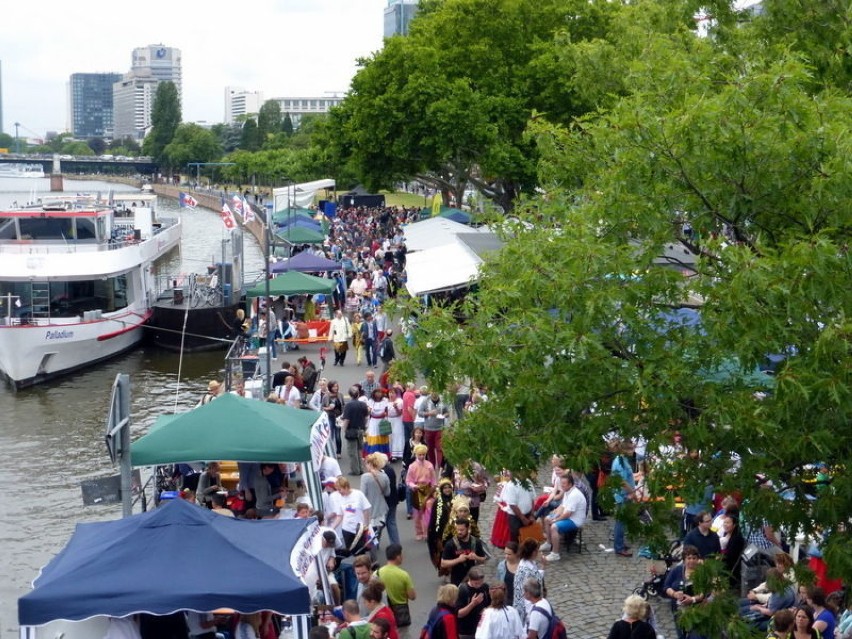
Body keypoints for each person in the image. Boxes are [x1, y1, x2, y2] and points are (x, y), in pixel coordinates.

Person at [540, 473, 587, 562]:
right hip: (569, 516)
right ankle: (549, 543)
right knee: (547, 519)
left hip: (575, 520)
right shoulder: (567, 491)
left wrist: (555, 520)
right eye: (561, 484)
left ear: (570, 484)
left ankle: (555, 553)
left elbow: (568, 514)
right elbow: (563, 506)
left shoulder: (574, 495)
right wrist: (555, 514)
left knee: (554, 526)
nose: (561, 486)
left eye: (563, 484)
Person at [664, 545, 706, 639]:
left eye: (694, 558)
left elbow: (704, 592)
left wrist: (692, 599)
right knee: (681, 633)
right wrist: (674, 594)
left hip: (696, 611)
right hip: (678, 610)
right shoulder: (677, 570)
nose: (691, 560)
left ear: (698, 559)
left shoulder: (702, 573)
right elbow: (666, 586)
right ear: (684, 559)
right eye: (689, 558)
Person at [376, 544, 416, 628]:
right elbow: (412, 596)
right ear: (398, 557)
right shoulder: (403, 575)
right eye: (401, 554)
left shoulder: (377, 573)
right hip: (401, 612)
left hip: (383, 612)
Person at [611, 439, 639, 557]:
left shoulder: (623, 460)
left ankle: (620, 543)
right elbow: (622, 481)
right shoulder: (620, 462)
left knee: (623, 521)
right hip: (622, 496)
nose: (633, 451)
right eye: (631, 448)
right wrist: (633, 492)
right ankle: (619, 547)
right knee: (620, 522)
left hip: (625, 495)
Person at [440, 518, 487, 586]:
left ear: (468, 528)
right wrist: (458, 560)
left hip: (473, 580)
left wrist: (476, 557)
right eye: (457, 529)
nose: (459, 532)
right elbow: (443, 564)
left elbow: (483, 560)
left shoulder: (476, 542)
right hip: (457, 580)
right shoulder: (450, 544)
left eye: (462, 530)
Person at [335, 476, 372, 551]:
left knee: (361, 550)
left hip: (360, 529)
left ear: (346, 487)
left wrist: (366, 525)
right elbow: (340, 516)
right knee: (351, 551)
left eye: (340, 489)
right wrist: (332, 527)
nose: (339, 492)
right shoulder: (339, 498)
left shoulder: (358, 494)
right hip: (347, 529)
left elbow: (366, 510)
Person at [513, 539, 544, 626]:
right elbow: (537, 581)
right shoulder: (527, 569)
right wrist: (544, 565)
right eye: (537, 550)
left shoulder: (525, 562)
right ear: (533, 552)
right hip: (526, 606)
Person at [341, 385, 370, 475]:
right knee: (359, 450)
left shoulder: (348, 405)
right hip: (361, 429)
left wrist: (344, 429)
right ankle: (361, 468)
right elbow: (366, 416)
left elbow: (346, 419)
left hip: (352, 430)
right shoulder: (363, 404)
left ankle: (355, 470)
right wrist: (364, 427)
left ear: (350, 395)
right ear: (358, 395)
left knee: (352, 451)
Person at [429, 479, 457, 570]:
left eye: (449, 487)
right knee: (444, 552)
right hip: (441, 533)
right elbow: (434, 520)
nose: (447, 490)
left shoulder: (455, 500)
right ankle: (445, 571)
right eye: (445, 488)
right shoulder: (438, 502)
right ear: (441, 490)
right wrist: (437, 537)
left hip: (454, 531)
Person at [419, 390, 450, 473]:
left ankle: (440, 467)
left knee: (440, 448)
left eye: (436, 391)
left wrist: (444, 415)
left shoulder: (443, 400)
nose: (434, 393)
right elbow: (419, 413)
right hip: (428, 428)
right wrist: (429, 413)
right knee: (430, 449)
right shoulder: (426, 400)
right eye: (433, 392)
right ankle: (431, 466)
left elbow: (447, 412)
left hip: (439, 428)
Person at [501, 473, 536, 545]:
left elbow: (532, 499)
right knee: (516, 540)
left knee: (528, 540)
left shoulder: (528, 482)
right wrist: (523, 519)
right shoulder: (511, 485)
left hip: (528, 515)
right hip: (516, 518)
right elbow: (512, 505)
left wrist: (532, 514)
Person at [456, 568, 490, 639]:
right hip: (466, 632)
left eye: (481, 583)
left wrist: (486, 610)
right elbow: (459, 614)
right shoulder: (463, 590)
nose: (479, 586)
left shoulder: (485, 587)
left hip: (482, 630)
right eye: (476, 583)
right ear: (470, 580)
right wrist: (473, 604)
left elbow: (490, 604)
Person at [720, 514, 745, 591]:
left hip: (732, 565)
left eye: (728, 523)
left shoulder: (737, 538)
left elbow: (731, 556)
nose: (725, 525)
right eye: (724, 522)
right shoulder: (725, 533)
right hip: (725, 559)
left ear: (734, 525)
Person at [365, 388, 391, 456]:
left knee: (382, 436)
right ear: (374, 393)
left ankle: (383, 453)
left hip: (382, 421)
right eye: (377, 392)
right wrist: (368, 410)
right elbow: (368, 411)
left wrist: (385, 414)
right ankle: (372, 453)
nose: (378, 394)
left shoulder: (385, 401)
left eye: (380, 392)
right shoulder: (370, 401)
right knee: (374, 435)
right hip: (373, 421)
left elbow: (387, 410)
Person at [324, 381, 345, 458]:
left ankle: (338, 452)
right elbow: (322, 407)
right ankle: (329, 450)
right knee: (330, 435)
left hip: (338, 417)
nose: (335, 388)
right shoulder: (326, 396)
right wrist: (328, 408)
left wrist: (343, 415)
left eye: (336, 386)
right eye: (334, 386)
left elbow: (343, 405)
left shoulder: (340, 395)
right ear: (330, 387)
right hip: (330, 416)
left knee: (338, 435)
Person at [496, 542, 520, 607]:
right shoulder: (501, 565)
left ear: (516, 554)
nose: (506, 556)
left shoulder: (522, 566)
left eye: (509, 554)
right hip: (507, 599)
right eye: (505, 553)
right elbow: (497, 582)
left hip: (520, 599)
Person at [386, 387, 405, 462]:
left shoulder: (399, 401)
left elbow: (399, 413)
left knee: (396, 435)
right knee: (389, 437)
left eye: (393, 393)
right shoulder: (386, 401)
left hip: (397, 420)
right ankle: (390, 453)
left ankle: (396, 454)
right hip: (389, 420)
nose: (391, 394)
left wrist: (396, 407)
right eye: (390, 393)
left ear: (396, 394)